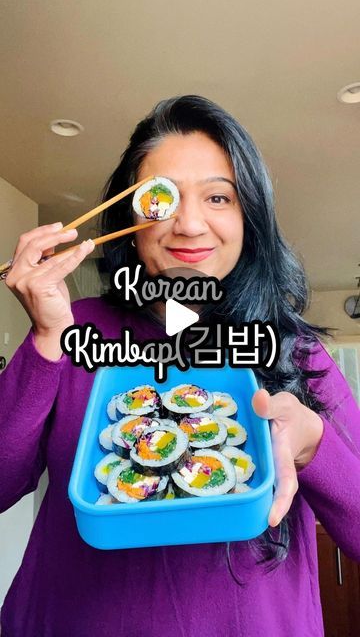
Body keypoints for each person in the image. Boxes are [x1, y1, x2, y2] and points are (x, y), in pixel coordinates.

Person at [0, 95, 359, 637]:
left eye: (220, 197)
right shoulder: (75, 329)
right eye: (162, 199)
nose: (190, 225)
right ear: (129, 217)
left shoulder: (298, 350)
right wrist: (47, 339)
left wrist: (314, 448)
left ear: (250, 217)